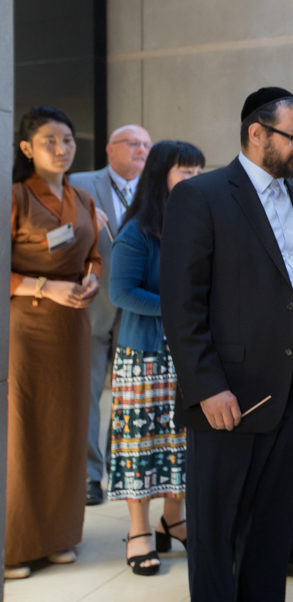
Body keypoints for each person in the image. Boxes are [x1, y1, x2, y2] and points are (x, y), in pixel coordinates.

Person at [160, 87, 293, 601]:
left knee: (273, 527)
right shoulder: (202, 197)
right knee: (216, 532)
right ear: (257, 133)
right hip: (229, 396)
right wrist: (206, 387)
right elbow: (182, 305)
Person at [5, 105, 103, 579]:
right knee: (25, 432)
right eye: (49, 141)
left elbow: (96, 256)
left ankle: (59, 536)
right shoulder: (16, 198)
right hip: (27, 326)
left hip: (73, 327)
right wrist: (46, 287)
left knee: (68, 428)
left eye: (67, 140)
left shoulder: (83, 199)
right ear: (26, 148)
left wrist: (91, 280)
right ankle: (17, 545)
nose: (61, 149)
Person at [107, 140, 204, 576]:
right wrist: (178, 304)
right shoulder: (137, 231)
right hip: (144, 356)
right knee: (140, 446)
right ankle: (139, 530)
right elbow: (121, 292)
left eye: (199, 172)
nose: (195, 180)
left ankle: (174, 517)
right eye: (186, 172)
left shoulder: (198, 223)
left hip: (187, 352)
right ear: (162, 174)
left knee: (181, 443)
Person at [69, 124, 153, 506]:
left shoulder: (155, 190)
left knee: (128, 394)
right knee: (87, 393)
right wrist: (84, 222)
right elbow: (55, 235)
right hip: (92, 302)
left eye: (146, 145)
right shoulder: (79, 183)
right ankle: (89, 475)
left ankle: (119, 466)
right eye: (133, 144)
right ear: (110, 149)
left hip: (136, 308)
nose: (141, 150)